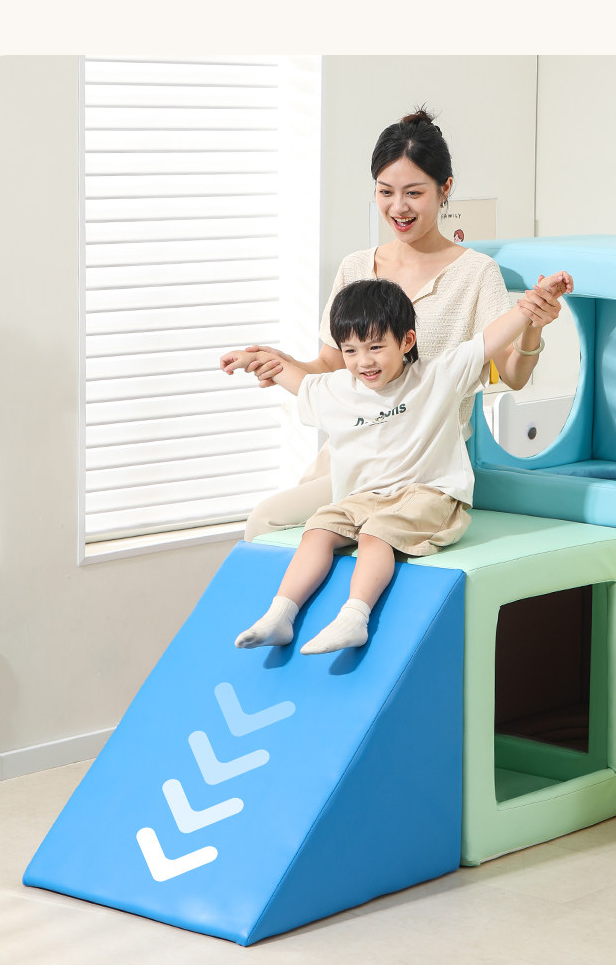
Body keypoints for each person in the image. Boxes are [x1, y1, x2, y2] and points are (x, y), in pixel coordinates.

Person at [220, 108, 565, 540]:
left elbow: (513, 375)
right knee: (267, 522)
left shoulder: (476, 273)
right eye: (385, 192)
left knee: (331, 535)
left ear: (445, 189)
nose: (398, 208)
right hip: (353, 449)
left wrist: (533, 325)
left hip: (422, 460)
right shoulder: (356, 268)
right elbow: (331, 367)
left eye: (414, 193)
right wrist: (280, 363)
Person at [233, 270, 572, 655]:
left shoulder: (437, 375)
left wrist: (532, 302)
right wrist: (253, 358)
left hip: (430, 495)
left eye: (375, 347)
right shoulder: (338, 389)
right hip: (365, 498)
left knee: (377, 532)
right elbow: (293, 376)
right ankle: (281, 614)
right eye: (350, 351)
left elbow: (490, 339)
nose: (364, 362)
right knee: (319, 528)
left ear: (407, 340)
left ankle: (354, 618)